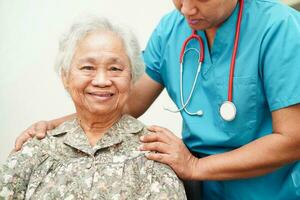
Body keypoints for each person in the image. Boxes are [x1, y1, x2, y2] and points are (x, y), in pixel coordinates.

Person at [14, 0, 300, 199]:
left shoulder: (279, 27)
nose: (187, 9)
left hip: (272, 189)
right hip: (203, 189)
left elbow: (293, 139)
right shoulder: (173, 28)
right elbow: (126, 101)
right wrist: (52, 126)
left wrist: (196, 167)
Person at [0, 16, 187, 200]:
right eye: (88, 67)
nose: (102, 81)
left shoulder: (155, 153)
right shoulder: (35, 149)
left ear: (132, 78)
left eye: (115, 69)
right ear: (65, 76)